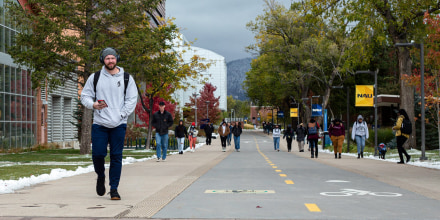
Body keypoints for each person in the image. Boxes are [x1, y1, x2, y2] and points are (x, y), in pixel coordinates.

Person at [80, 47, 138, 200]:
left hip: (119, 124)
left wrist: (122, 114)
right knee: (98, 154)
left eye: (112, 58)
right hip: (100, 123)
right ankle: (100, 176)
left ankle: (114, 189)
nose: (110, 61)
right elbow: (84, 96)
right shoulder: (95, 77)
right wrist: (93, 105)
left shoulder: (126, 78)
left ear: (116, 59)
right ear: (102, 60)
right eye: (107, 58)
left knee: (116, 156)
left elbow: (132, 100)